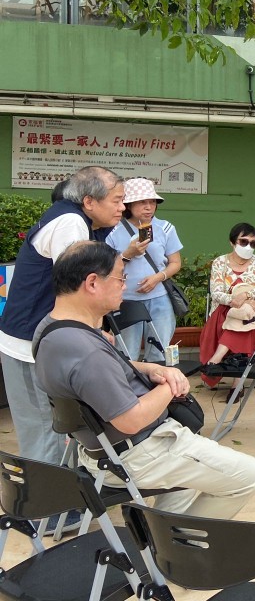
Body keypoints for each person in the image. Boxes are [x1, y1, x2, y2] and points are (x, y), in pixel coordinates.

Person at [34, 241, 255, 519]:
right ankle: (181, 547)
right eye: (121, 277)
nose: (125, 284)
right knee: (250, 475)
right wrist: (170, 385)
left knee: (193, 477)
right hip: (141, 452)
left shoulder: (51, 329)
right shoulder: (86, 350)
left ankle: (165, 540)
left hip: (100, 452)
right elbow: (130, 420)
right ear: (93, 283)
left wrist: (148, 368)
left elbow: (93, 372)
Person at [0, 166, 149, 471]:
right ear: (89, 201)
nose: (123, 207)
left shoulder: (82, 220)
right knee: (44, 429)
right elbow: (81, 285)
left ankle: (62, 505)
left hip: (53, 341)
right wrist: (93, 330)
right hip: (28, 345)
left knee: (62, 429)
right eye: (117, 200)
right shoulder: (70, 223)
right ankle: (48, 512)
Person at [105, 178, 184, 361]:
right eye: (142, 202)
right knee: (127, 353)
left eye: (152, 202)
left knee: (159, 352)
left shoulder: (165, 228)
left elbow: (175, 263)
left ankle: (157, 388)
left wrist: (158, 277)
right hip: (125, 299)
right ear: (129, 205)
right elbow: (106, 269)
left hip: (160, 298)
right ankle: (127, 389)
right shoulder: (113, 231)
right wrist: (128, 253)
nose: (148, 207)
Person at [199, 223, 255, 394]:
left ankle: (216, 359)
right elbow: (216, 292)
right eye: (244, 241)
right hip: (223, 312)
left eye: (253, 243)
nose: (248, 246)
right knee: (242, 320)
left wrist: (246, 297)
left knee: (245, 318)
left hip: (252, 312)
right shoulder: (220, 262)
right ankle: (237, 383)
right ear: (232, 242)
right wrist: (235, 301)